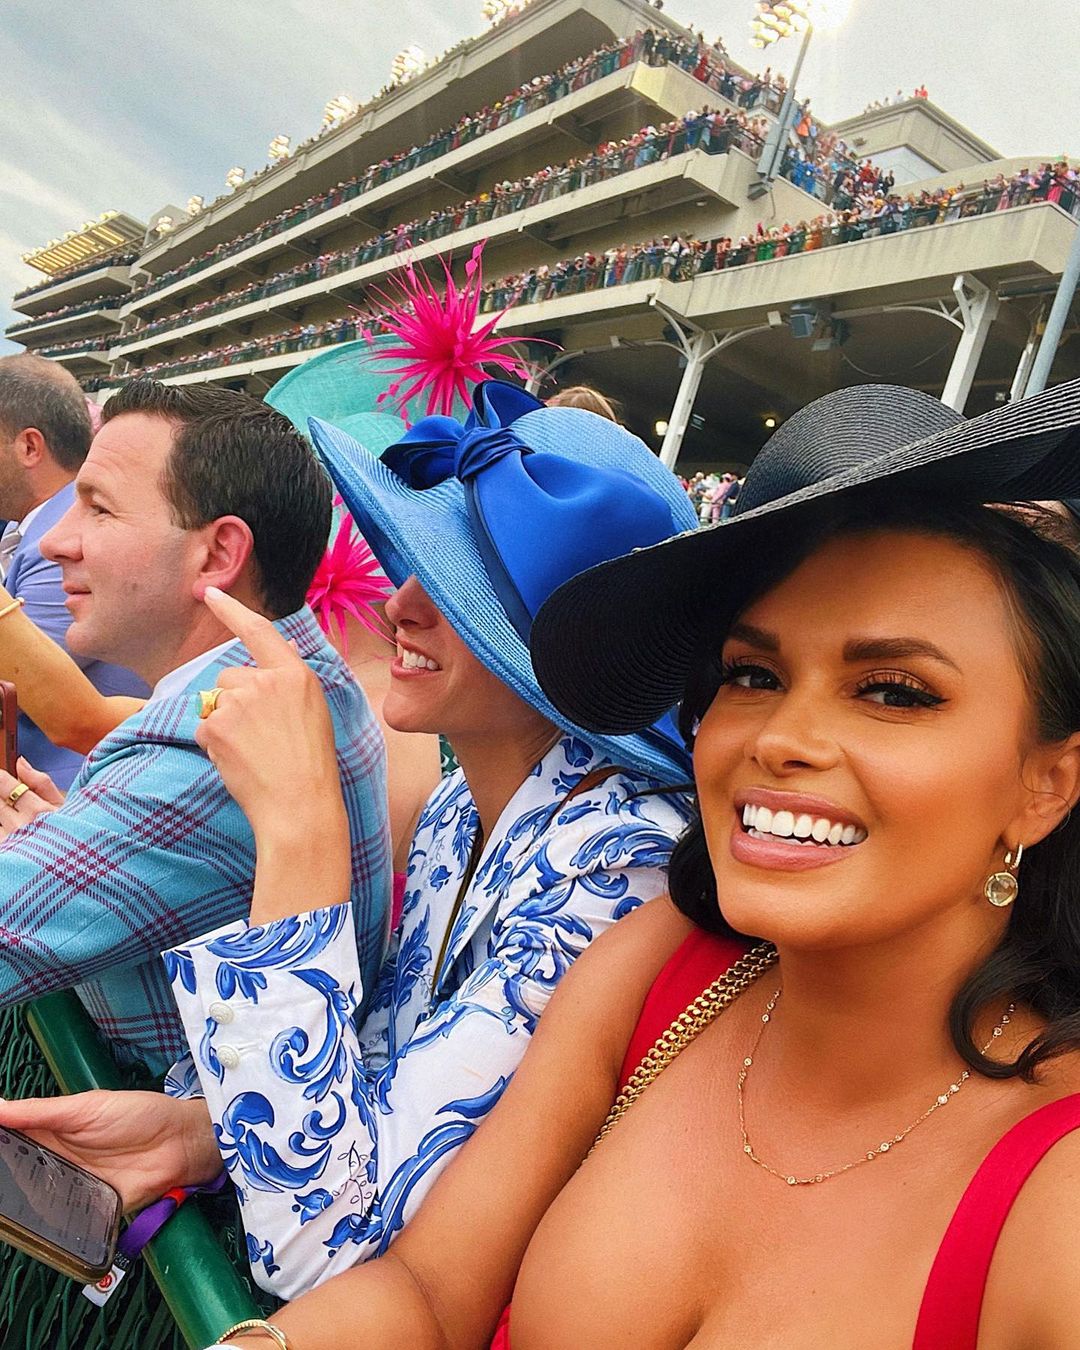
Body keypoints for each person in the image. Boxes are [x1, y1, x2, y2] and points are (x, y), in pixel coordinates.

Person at [155, 377, 1080, 1348]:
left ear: (1048, 784)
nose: (782, 738)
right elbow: (426, 1291)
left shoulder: (1052, 1206)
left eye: (893, 692)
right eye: (752, 675)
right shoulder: (667, 965)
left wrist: (299, 832)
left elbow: (334, 1236)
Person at [1, 381, 698, 1301]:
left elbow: (332, 1244)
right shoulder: (464, 805)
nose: (397, 607)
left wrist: (299, 823)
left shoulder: (621, 865)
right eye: (411, 566)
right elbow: (392, 1076)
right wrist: (202, 1129)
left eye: (463, 584)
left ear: (578, 648)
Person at [0, 378, 391, 1074]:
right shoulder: (300, 670)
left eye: (99, 509)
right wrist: (66, 841)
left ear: (216, 555)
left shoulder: (199, 753)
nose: (58, 539)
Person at [0, 355, 147, 788]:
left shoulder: (67, 540)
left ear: (29, 447)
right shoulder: (32, 523)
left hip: (64, 798)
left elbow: (14, 690)